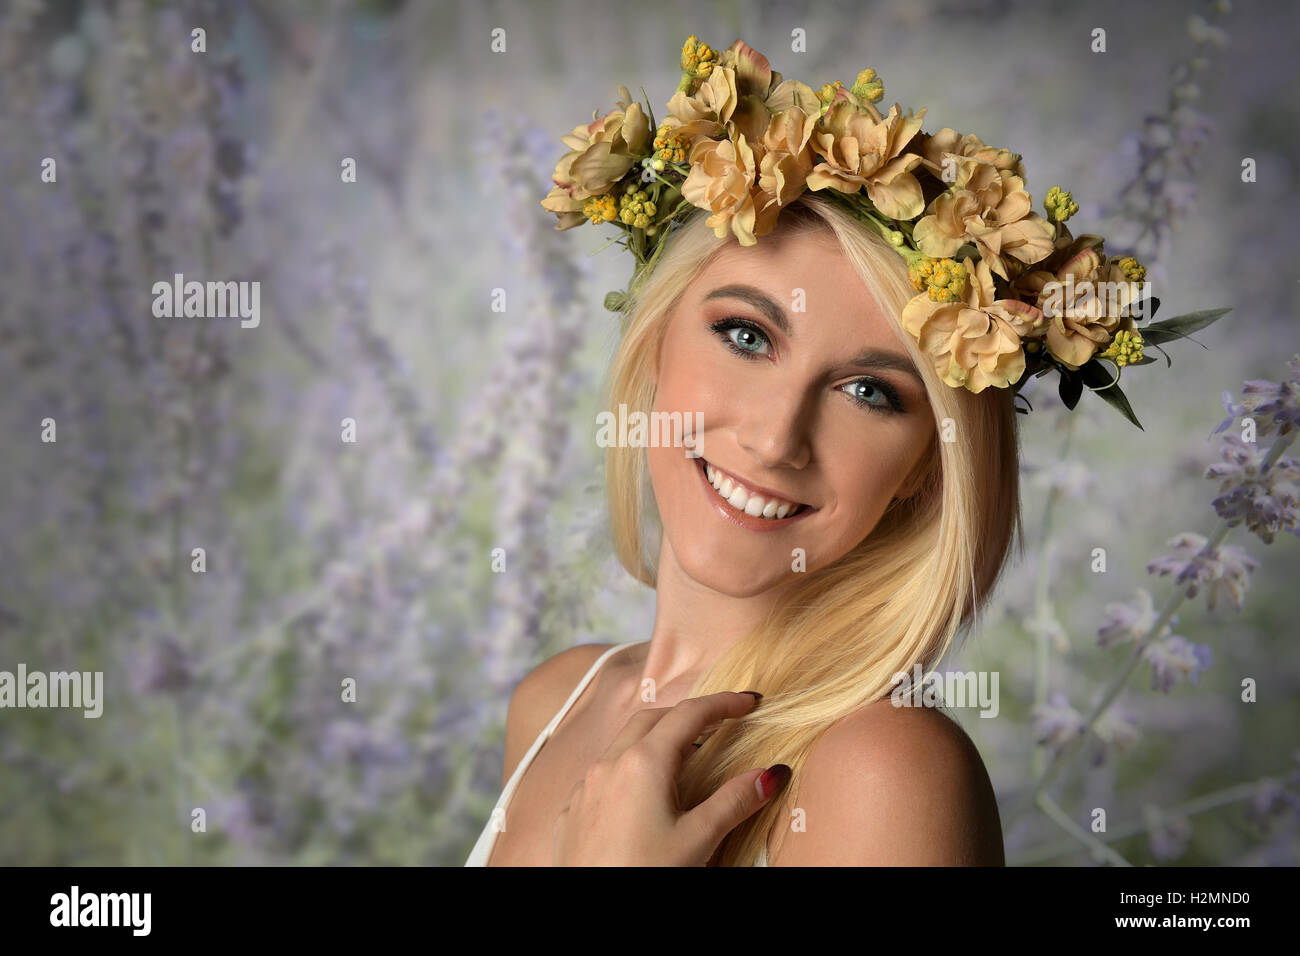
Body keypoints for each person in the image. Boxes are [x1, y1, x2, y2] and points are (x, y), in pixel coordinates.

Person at [466, 34, 1216, 866]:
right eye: (746, 335)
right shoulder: (554, 700)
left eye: (870, 393)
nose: (775, 437)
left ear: (926, 467)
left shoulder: (888, 771)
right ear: (654, 343)